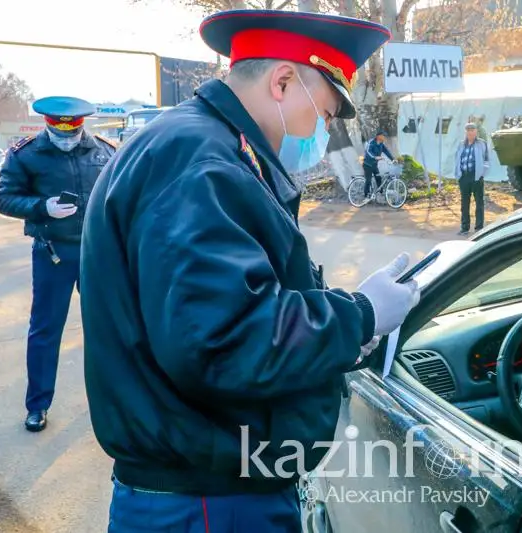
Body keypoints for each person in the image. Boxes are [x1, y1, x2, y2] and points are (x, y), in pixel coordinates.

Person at [79, 9, 420, 532]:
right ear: (283, 81)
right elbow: (224, 341)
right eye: (326, 116)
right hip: (207, 499)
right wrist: (360, 316)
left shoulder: (202, 145)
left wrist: (345, 330)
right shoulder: (202, 161)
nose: (324, 134)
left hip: (204, 482)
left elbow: (240, 299)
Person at [0, 96, 116, 433]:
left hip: (97, 254)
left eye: (72, 132)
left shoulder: (105, 151)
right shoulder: (27, 154)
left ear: (82, 125)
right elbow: (3, 197)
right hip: (53, 253)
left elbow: (121, 194)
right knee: (46, 331)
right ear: (48, 125)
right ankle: (38, 405)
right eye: (60, 132)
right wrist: (41, 206)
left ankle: (112, 403)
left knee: (107, 329)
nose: (67, 138)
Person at [453, 122, 490, 235]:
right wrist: (458, 174)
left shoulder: (481, 144)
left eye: (472, 130)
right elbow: (457, 158)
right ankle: (464, 227)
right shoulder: (461, 144)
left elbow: (486, 160)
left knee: (479, 202)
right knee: (464, 203)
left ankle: (479, 228)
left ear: (476, 131)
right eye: (468, 130)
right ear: (466, 132)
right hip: (464, 176)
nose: (470, 132)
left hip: (476, 176)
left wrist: (481, 174)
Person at [363, 130, 394, 197]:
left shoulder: (381, 144)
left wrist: (393, 159)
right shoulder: (371, 142)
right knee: (368, 180)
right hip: (367, 165)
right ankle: (366, 196)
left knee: (378, 178)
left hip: (374, 165)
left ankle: (380, 194)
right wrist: (375, 157)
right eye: (383, 135)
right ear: (378, 136)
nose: (384, 137)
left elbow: (387, 152)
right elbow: (368, 151)